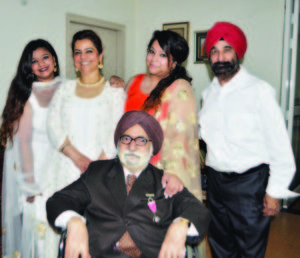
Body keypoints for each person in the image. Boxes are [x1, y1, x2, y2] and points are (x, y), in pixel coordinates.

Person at [46, 110, 211, 258]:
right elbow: (59, 200)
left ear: (152, 147)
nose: (132, 146)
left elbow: (198, 211)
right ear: (118, 144)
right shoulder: (96, 172)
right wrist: (74, 221)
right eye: (126, 139)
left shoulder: (164, 181)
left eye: (141, 140)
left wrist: (181, 224)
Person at [198, 21, 299, 258]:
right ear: (209, 58)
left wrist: (274, 192)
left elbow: (280, 147)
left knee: (249, 249)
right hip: (214, 183)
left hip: (249, 185)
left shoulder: (259, 91)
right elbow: (205, 135)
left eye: (227, 49)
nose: (220, 56)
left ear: (238, 54)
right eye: (214, 51)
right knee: (220, 245)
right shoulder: (208, 93)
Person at [45, 29, 126, 257]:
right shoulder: (64, 90)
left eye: (89, 51)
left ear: (101, 56)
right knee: (65, 233)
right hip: (66, 168)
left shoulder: (115, 92)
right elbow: (53, 126)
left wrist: (96, 168)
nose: (83, 57)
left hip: (102, 174)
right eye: (77, 52)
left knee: (97, 239)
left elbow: (117, 131)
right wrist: (78, 158)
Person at [1, 39, 64, 257]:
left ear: (54, 60)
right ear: (29, 68)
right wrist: (29, 186)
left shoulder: (68, 88)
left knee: (62, 235)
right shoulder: (27, 97)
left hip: (62, 173)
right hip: (36, 179)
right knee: (40, 237)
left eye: (45, 57)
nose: (41, 64)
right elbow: (23, 143)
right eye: (34, 61)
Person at [125, 30, 202, 201]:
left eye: (162, 55)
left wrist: (173, 172)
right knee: (126, 221)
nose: (153, 59)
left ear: (174, 62)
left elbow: (180, 136)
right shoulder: (133, 82)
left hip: (156, 174)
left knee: (152, 221)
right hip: (127, 167)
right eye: (151, 52)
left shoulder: (179, 89)